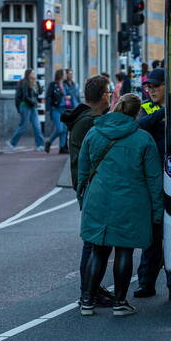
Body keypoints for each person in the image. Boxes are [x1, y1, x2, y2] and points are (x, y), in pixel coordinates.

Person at [77, 93, 163, 316]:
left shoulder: (94, 132)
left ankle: (87, 301)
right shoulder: (143, 139)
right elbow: (154, 179)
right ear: (137, 113)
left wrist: (82, 199)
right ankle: (120, 303)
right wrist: (157, 211)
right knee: (124, 250)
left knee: (98, 250)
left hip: (98, 198)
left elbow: (82, 170)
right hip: (130, 201)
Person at [134, 67, 171, 301]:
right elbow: (140, 125)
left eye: (156, 85)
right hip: (153, 181)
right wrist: (161, 114)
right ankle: (146, 283)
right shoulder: (146, 108)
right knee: (152, 236)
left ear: (169, 86)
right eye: (149, 86)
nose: (151, 89)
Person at [65, 74, 115, 307]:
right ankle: (88, 290)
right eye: (110, 91)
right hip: (92, 186)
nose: (112, 95)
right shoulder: (90, 121)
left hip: (90, 185)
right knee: (93, 241)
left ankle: (92, 287)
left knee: (97, 241)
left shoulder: (88, 117)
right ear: (104, 95)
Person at [8, 68, 44, 151]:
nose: (34, 74)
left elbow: (39, 93)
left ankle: (40, 145)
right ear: (28, 74)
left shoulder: (35, 82)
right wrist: (33, 103)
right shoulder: (24, 83)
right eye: (33, 73)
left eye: (35, 72)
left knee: (37, 125)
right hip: (25, 106)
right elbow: (25, 96)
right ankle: (12, 143)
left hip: (33, 107)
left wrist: (38, 85)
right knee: (23, 126)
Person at [44, 69, 67, 154]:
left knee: (64, 129)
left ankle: (62, 148)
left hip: (63, 109)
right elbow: (48, 97)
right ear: (60, 75)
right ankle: (49, 142)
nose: (66, 75)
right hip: (55, 109)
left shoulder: (64, 85)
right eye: (64, 74)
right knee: (59, 129)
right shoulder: (53, 85)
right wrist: (48, 108)